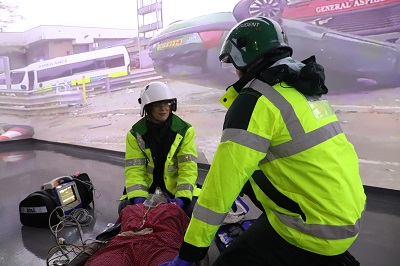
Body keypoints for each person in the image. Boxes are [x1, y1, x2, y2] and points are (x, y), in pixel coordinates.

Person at [160, 17, 366, 266]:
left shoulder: (255, 100)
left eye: (234, 64)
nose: (235, 72)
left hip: (310, 227)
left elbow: (220, 187)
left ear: (245, 59)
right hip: (344, 216)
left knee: (229, 261)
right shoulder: (302, 89)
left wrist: (189, 253)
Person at [118, 81, 199, 217]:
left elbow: (188, 169)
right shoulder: (135, 134)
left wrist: (182, 199)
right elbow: (135, 171)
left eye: (167, 103)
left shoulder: (185, 131)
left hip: (175, 193)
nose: (163, 108)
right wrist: (139, 200)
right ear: (147, 108)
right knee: (125, 211)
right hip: (147, 193)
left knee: (192, 213)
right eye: (157, 105)